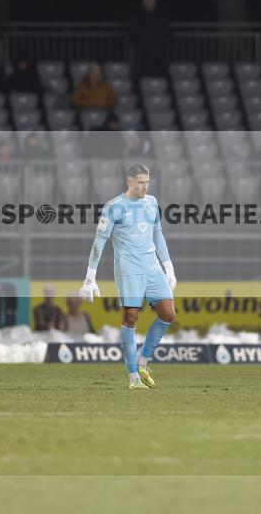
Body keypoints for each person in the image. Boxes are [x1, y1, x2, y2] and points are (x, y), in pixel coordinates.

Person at [78, 164, 177, 390]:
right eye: (140, 182)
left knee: (168, 314)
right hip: (129, 269)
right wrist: (89, 277)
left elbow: (158, 235)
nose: (144, 186)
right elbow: (99, 241)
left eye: (147, 182)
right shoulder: (114, 207)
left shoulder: (152, 203)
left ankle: (143, 363)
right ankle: (133, 378)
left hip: (152, 268)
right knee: (130, 319)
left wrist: (169, 267)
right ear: (129, 181)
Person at [130, 0, 169, 78]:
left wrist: (162, 44)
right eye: (146, 1)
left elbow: (167, 32)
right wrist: (140, 45)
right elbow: (133, 34)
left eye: (150, 1)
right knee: (143, 74)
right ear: (142, 3)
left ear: (155, 2)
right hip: (142, 53)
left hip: (159, 52)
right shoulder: (138, 16)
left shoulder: (162, 15)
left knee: (159, 74)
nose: (148, 3)